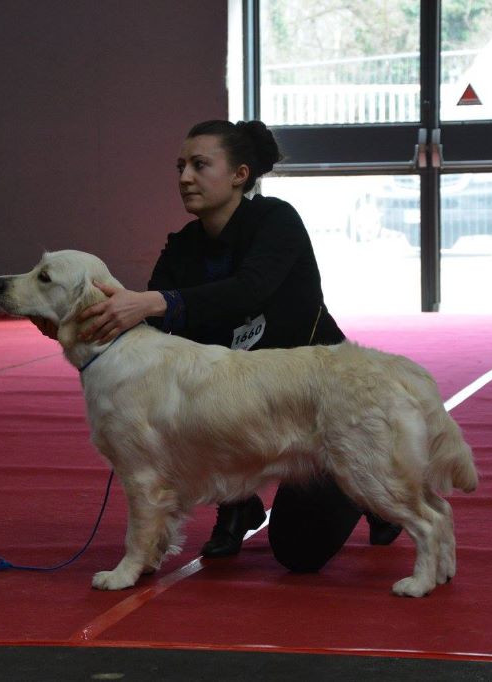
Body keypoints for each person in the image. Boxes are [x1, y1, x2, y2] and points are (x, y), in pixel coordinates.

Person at [44, 119, 400, 572]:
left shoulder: (277, 221)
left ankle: (370, 489)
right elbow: (149, 334)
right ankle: (236, 499)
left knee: (300, 552)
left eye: (199, 165)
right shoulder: (182, 247)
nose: (184, 177)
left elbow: (248, 289)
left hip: (318, 406)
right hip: (237, 413)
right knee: (199, 413)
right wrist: (76, 325)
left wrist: (156, 301)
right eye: (180, 167)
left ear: (240, 174)